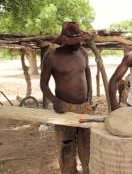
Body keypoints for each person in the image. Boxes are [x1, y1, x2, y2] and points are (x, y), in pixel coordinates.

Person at [40, 22, 92, 174]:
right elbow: (43, 84)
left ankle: (88, 170)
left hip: (84, 108)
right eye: (73, 42)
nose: (77, 44)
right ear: (64, 41)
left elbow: (87, 72)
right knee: (66, 148)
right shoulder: (52, 57)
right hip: (64, 109)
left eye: (79, 41)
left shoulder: (83, 53)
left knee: (87, 147)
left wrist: (89, 97)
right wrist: (55, 102)